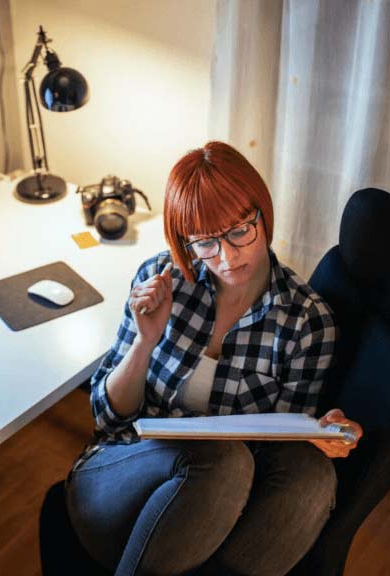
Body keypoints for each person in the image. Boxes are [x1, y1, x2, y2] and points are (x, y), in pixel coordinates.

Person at [65, 141, 364, 576]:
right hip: (117, 482)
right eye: (205, 242)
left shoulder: (307, 322)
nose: (226, 257)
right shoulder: (161, 278)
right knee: (222, 460)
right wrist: (144, 341)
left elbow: (278, 452)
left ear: (263, 213)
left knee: (309, 473)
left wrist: (321, 432)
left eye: (240, 231)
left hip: (205, 514)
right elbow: (107, 419)